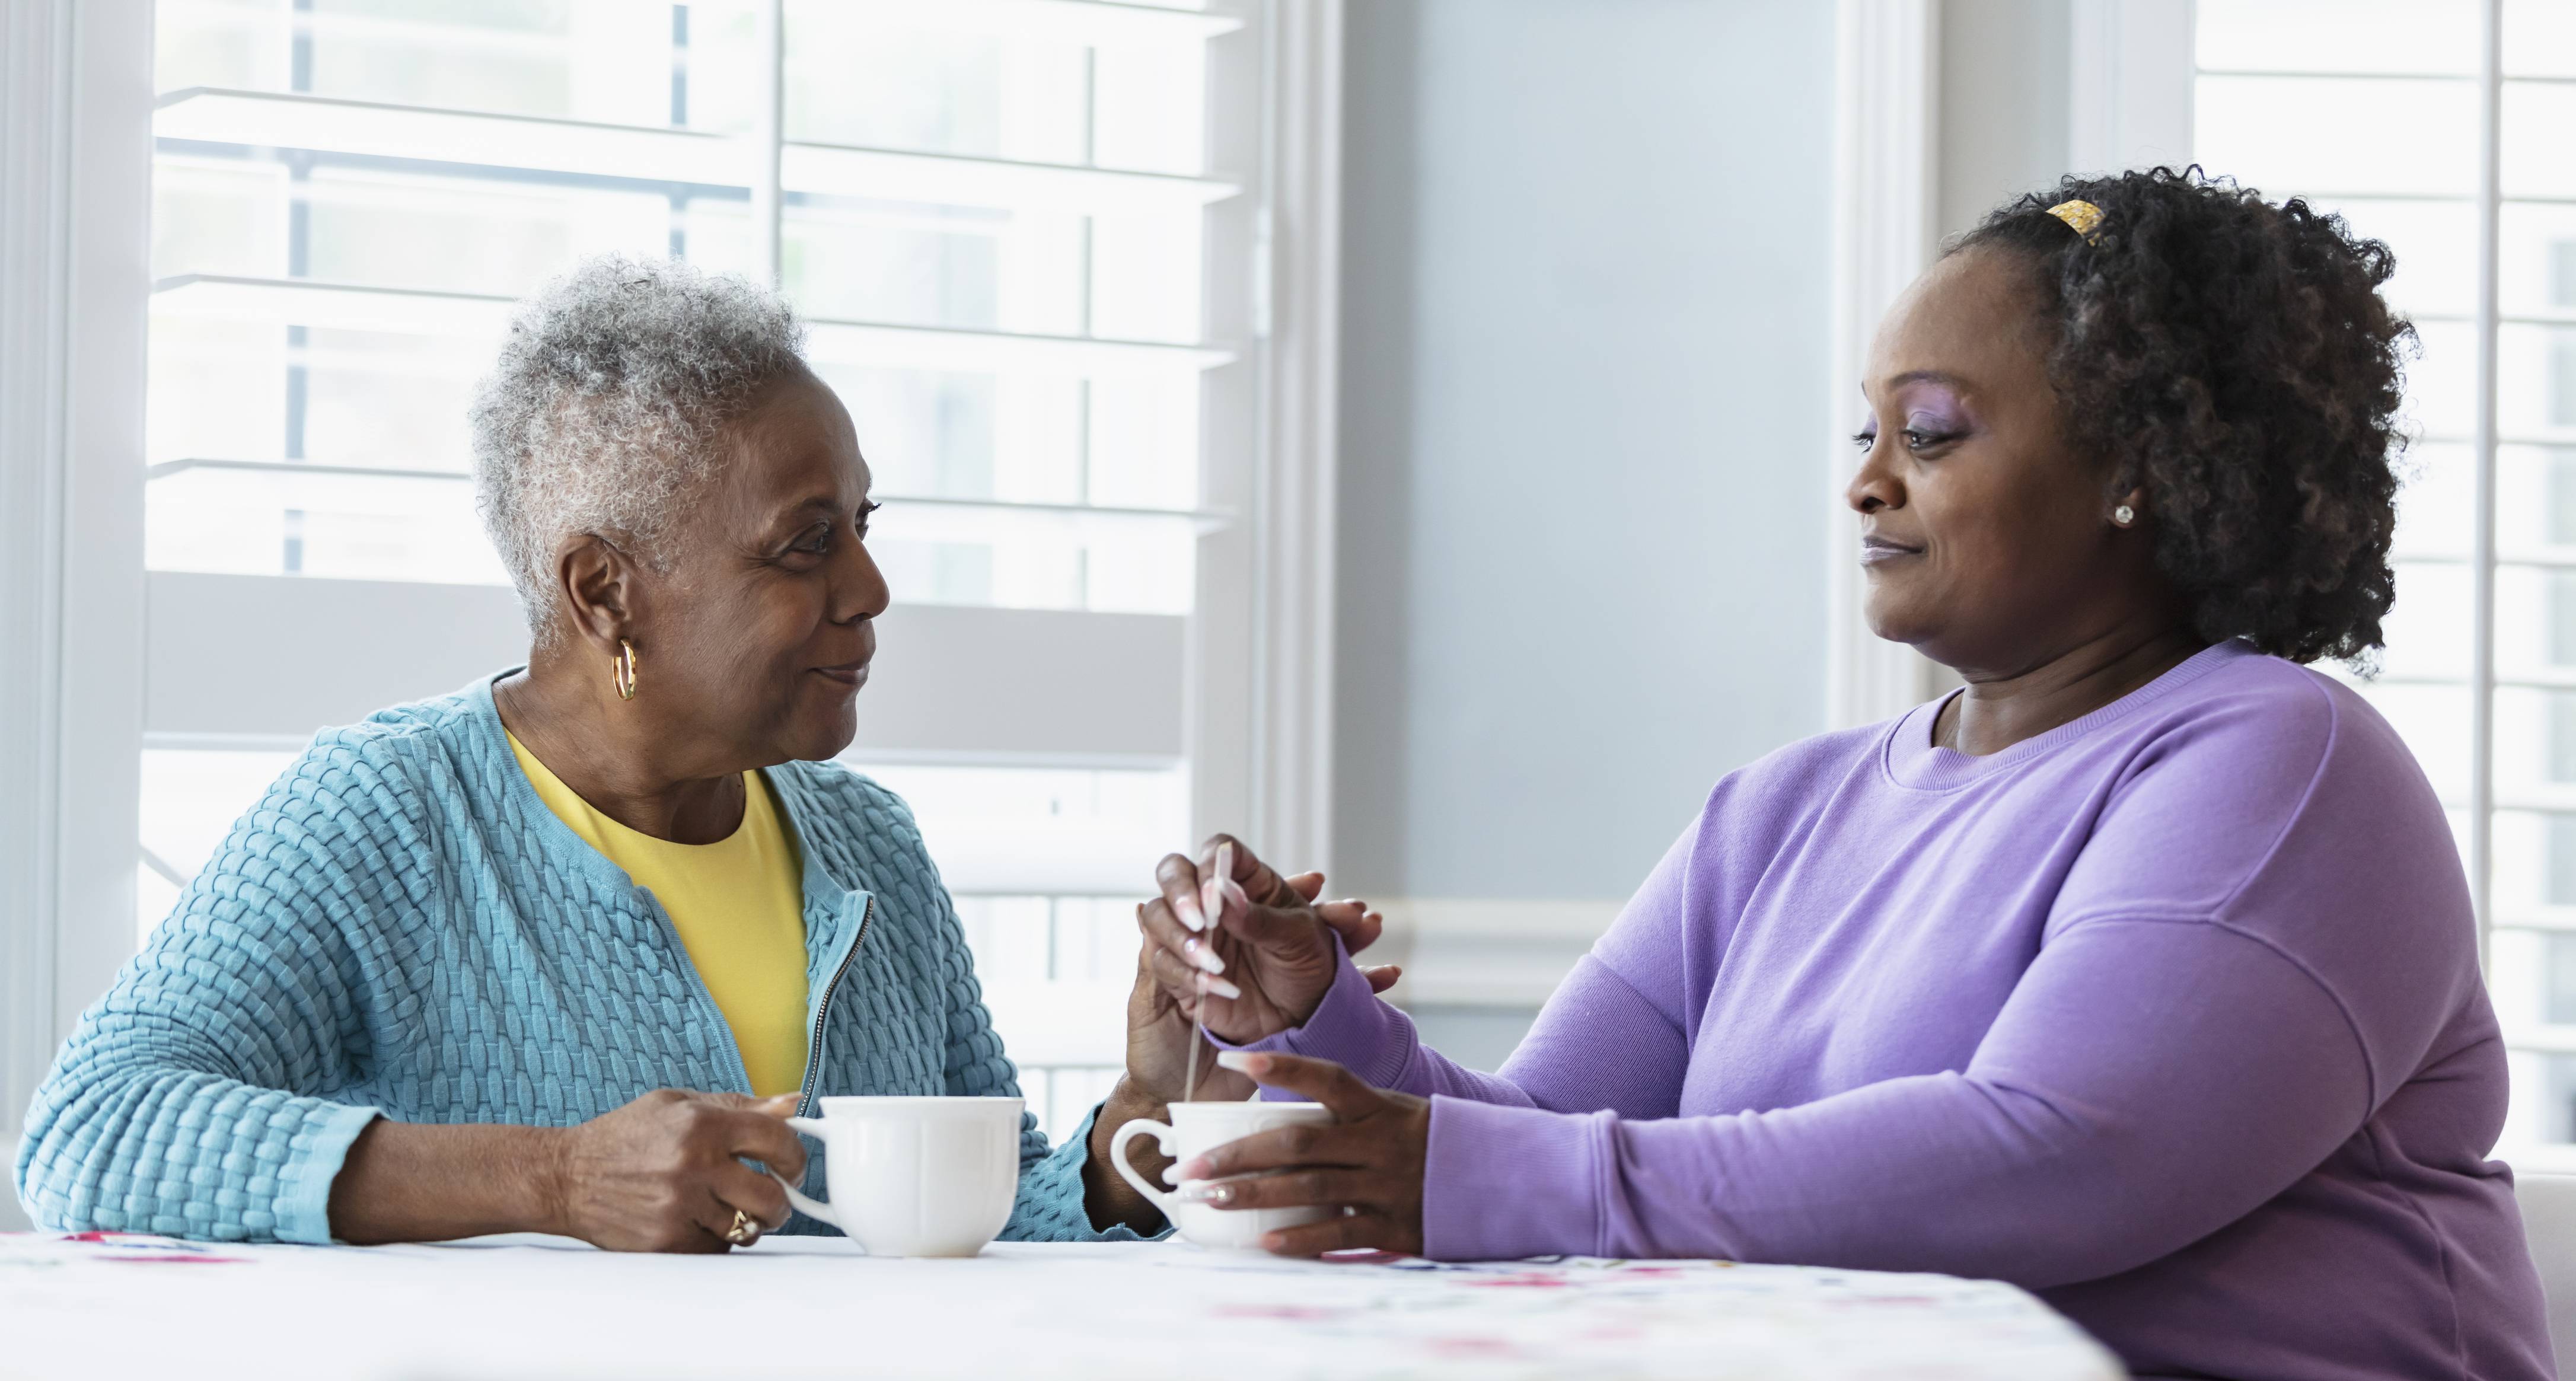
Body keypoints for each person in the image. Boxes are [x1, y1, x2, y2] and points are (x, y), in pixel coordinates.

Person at [1135, 171, 2555, 1379]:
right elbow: (1545, 1149)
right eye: (1865, 433)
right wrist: (1320, 1026)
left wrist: (1472, 1168)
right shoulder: (1780, 811)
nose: (1869, 481)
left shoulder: (2278, 760)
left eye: (1930, 433)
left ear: (2139, 468)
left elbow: (2060, 1161)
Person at [11, 255, 1389, 1251]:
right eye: (807, 542)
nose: (871, 587)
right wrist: (551, 1179)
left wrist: (1140, 1110)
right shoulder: (384, 814)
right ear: (606, 590)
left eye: (863, 522)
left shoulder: (867, 847)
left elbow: (974, 1220)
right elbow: (89, 1131)